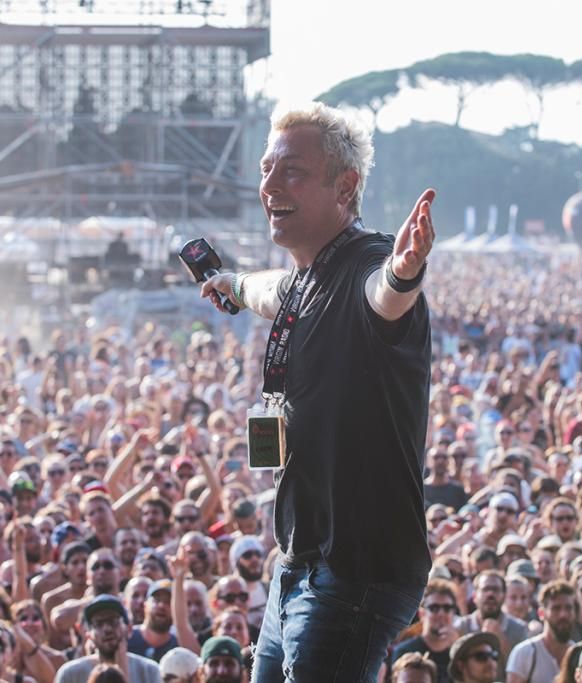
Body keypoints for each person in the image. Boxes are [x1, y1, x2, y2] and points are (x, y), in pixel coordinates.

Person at [198, 102, 437, 682]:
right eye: (265, 170)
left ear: (345, 186)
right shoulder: (306, 280)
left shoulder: (366, 264)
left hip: (355, 571)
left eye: (293, 172)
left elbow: (385, 295)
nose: (270, 185)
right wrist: (227, 283)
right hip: (297, 564)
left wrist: (405, 273)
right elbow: (264, 288)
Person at [53, 595, 160, 683]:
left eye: (113, 621)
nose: (107, 629)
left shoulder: (149, 671)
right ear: (88, 634)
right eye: (98, 624)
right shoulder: (70, 674)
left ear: (129, 629)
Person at [506, 580, 576, 683]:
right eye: (556, 608)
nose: (563, 615)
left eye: (568, 608)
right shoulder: (524, 654)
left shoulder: (579, 655)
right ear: (541, 613)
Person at [392, 579, 459, 683]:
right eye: (434, 608)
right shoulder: (404, 651)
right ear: (422, 614)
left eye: (447, 608)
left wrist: (458, 649)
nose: (441, 613)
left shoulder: (460, 654)